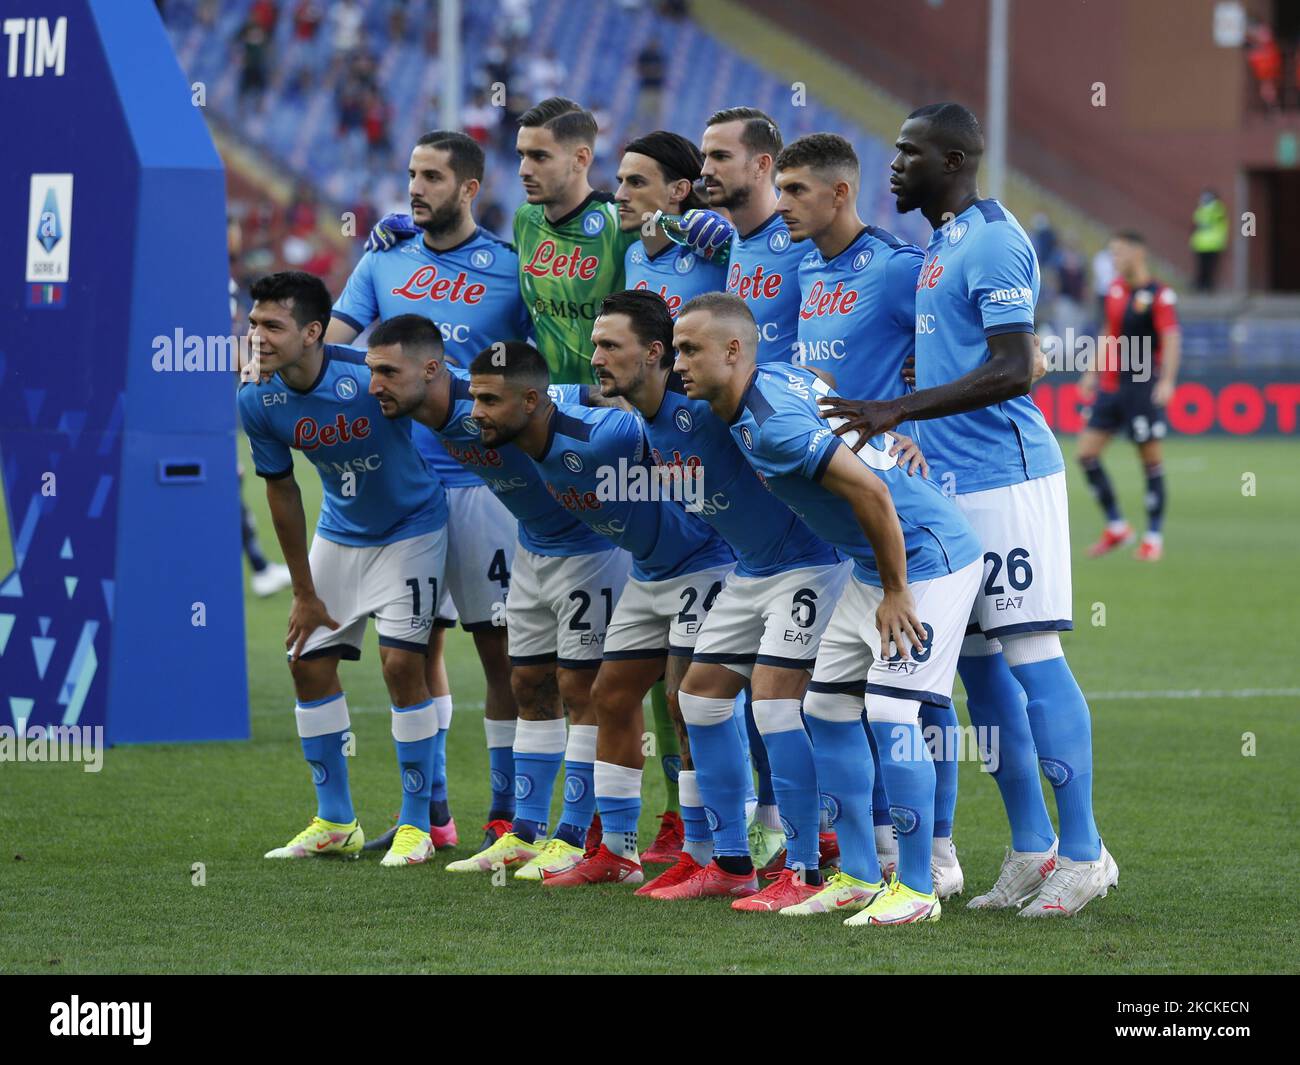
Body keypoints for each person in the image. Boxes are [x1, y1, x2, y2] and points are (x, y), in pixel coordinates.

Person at [821, 103, 1118, 916]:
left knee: (1031, 659)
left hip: (1009, 478)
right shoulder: (938, 246)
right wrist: (916, 428)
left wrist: (897, 410)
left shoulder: (992, 238)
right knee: (981, 682)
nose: (895, 165)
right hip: (949, 486)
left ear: (953, 159)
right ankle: (1031, 849)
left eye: (909, 153)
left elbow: (1018, 367)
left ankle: (1085, 852)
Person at [676, 292, 982, 924]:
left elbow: (872, 491)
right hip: (875, 566)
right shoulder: (772, 379)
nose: (678, 363)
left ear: (734, 351)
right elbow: (824, 383)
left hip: (927, 560)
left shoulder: (772, 425)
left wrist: (897, 591)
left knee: (894, 710)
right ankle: (860, 876)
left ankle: (919, 889)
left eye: (689, 349)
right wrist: (884, 436)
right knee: (825, 706)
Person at [575, 290, 846, 909]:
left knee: (782, 711)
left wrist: (891, 423)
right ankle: (729, 864)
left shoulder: (706, 401)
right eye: (594, 345)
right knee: (698, 699)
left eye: (609, 346)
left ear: (654, 356)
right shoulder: (640, 420)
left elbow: (809, 383)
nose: (597, 358)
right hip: (751, 570)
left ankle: (807, 865)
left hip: (810, 563)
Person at [360, 315, 633, 880]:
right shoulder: (435, 412)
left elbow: (582, 397)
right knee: (526, 681)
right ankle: (524, 833)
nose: (375, 385)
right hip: (531, 547)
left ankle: (574, 837)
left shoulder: (486, 400)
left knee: (579, 688)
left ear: (433, 372)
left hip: (589, 548)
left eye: (387, 371)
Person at [328, 130, 532, 853]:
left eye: (433, 176)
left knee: (500, 652)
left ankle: (508, 816)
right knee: (409, 652)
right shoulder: (382, 257)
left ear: (470, 188)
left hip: (483, 486)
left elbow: (537, 369)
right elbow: (340, 345)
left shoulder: (510, 271)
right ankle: (432, 814)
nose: (416, 187)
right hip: (403, 487)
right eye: (411, 174)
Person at [467, 341, 735, 888]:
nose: (476, 414)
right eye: (593, 345)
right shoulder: (543, 409)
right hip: (647, 571)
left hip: (703, 565)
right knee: (609, 696)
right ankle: (617, 851)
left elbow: (685, 421)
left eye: (489, 402)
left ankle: (712, 854)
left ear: (529, 401)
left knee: (688, 704)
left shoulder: (607, 435)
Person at [775, 131, 964, 897]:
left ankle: (940, 853)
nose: (783, 204)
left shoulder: (894, 268)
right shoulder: (807, 268)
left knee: (927, 694)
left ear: (840, 192)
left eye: (795, 191)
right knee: (849, 693)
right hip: (845, 501)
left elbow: (964, 347)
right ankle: (880, 851)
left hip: (911, 499)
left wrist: (911, 429)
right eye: (779, 190)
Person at [237, 271, 448, 868]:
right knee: (305, 662)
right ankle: (336, 821)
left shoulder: (368, 374)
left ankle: (414, 827)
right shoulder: (257, 398)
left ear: (311, 332)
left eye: (271, 325)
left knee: (403, 663)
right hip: (341, 532)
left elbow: (442, 401)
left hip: (413, 528)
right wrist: (303, 591)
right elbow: (281, 491)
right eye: (253, 323)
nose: (257, 335)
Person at [1077, 231, 1180, 562]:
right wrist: (1092, 371)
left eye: (1118, 253)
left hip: (1142, 386)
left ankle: (1153, 536)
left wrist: (1167, 381)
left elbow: (1171, 337)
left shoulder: (1160, 294)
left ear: (1138, 253)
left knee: (1150, 461)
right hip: (1113, 386)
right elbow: (1109, 332)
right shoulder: (1115, 291)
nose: (1114, 259)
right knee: (1086, 454)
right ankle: (1117, 527)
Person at [616, 131, 727, 317]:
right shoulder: (632, 254)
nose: (619, 195)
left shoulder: (713, 251)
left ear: (678, 190)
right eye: (621, 182)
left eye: (636, 182)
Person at [1190, 188, 1227, 292]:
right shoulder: (1202, 209)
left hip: (1212, 243)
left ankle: (1207, 286)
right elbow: (1195, 223)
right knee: (1203, 267)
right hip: (1202, 243)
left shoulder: (1217, 209)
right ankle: (1201, 286)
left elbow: (1206, 223)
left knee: (1209, 267)